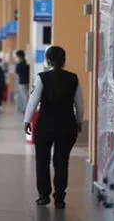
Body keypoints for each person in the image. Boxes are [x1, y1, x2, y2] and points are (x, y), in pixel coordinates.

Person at [24, 46, 83, 209]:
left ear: (48, 60)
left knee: (42, 160)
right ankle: (59, 197)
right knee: (61, 161)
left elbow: (33, 101)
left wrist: (27, 121)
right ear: (64, 60)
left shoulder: (42, 77)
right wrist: (78, 121)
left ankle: (44, 195)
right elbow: (80, 104)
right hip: (67, 124)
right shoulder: (73, 78)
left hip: (45, 124)